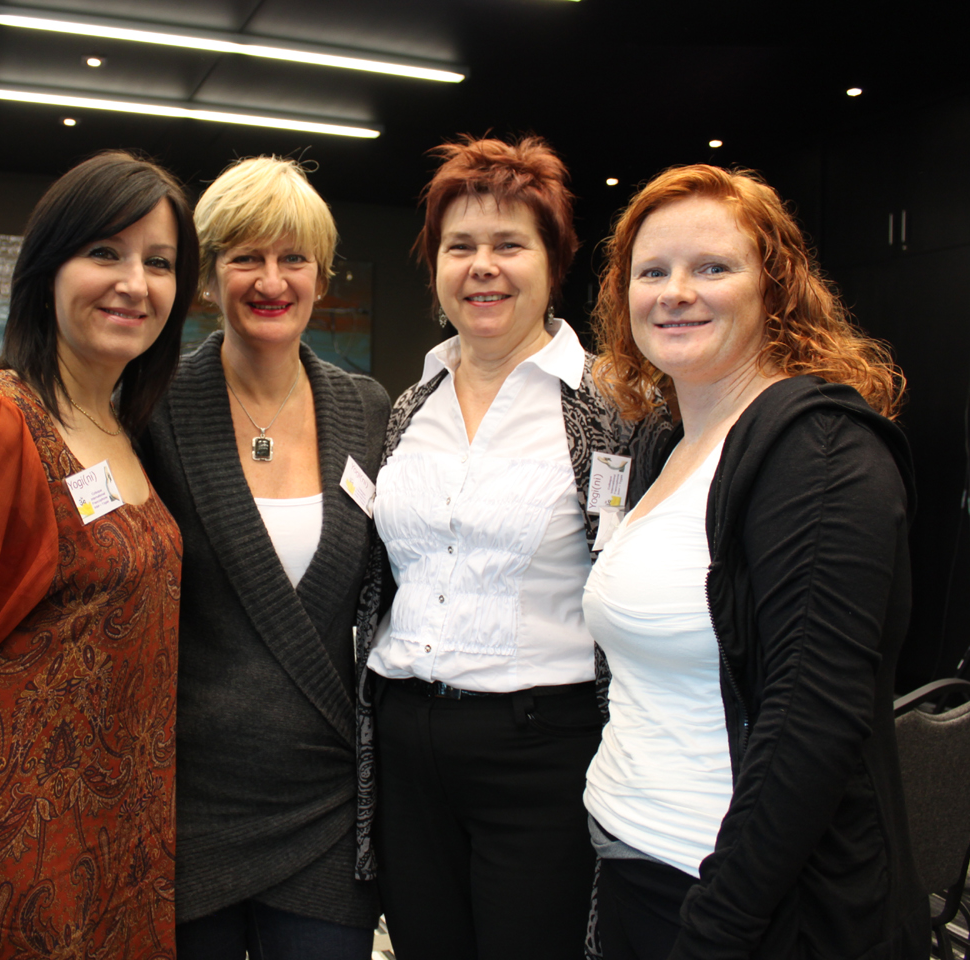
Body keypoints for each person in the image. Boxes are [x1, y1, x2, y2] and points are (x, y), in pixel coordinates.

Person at [581, 163, 924, 959]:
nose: (675, 291)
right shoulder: (665, 441)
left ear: (775, 289)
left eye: (713, 268)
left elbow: (812, 725)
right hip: (635, 866)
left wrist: (717, 929)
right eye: (652, 271)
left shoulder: (822, 453)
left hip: (744, 906)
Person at [352, 134, 670, 960]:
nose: (481, 266)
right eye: (460, 246)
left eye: (508, 245)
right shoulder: (408, 406)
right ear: (434, 265)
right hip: (404, 739)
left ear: (552, 262)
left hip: (542, 748)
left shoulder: (614, 408)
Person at [0, 151, 196, 960]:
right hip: (1, 852)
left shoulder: (127, 429)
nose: (135, 281)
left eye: (159, 263)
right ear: (48, 268)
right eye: (105, 252)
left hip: (112, 842)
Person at [137, 156, 390, 959]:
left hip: (324, 806)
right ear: (208, 276)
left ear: (322, 273)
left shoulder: (368, 410)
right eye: (245, 256)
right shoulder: (150, 404)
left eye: (294, 258)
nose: (271, 280)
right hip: (191, 804)